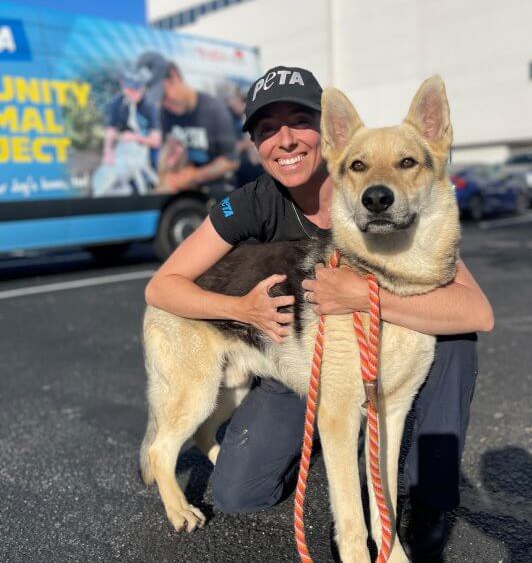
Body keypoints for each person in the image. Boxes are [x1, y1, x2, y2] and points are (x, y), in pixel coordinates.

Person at [145, 66, 494, 562]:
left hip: (335, 332)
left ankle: (427, 497)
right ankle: (183, 454)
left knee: (451, 332)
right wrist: (240, 309)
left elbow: (477, 311)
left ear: (322, 133)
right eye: (267, 129)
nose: (285, 140)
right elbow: (162, 286)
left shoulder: (411, 224)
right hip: (274, 348)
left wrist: (366, 297)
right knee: (239, 493)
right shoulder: (252, 202)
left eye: (298, 122)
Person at [136, 52, 239, 198]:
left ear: (174, 76)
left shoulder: (214, 109)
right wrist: (166, 172)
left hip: (216, 190)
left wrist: (195, 176)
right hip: (184, 190)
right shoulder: (165, 113)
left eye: (164, 95)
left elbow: (231, 161)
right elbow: (166, 148)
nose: (164, 103)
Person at [95, 67, 161, 195]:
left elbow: (156, 141)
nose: (133, 92)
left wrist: (136, 138)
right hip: (126, 152)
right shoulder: (117, 103)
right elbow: (111, 130)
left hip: (146, 154)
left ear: (142, 88)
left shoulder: (150, 106)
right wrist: (107, 152)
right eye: (129, 88)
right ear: (122, 86)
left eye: (136, 89)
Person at [216, 80, 263, 187]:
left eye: (232, 99)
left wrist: (240, 145)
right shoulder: (231, 118)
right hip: (244, 167)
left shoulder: (252, 114)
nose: (231, 104)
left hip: (256, 166)